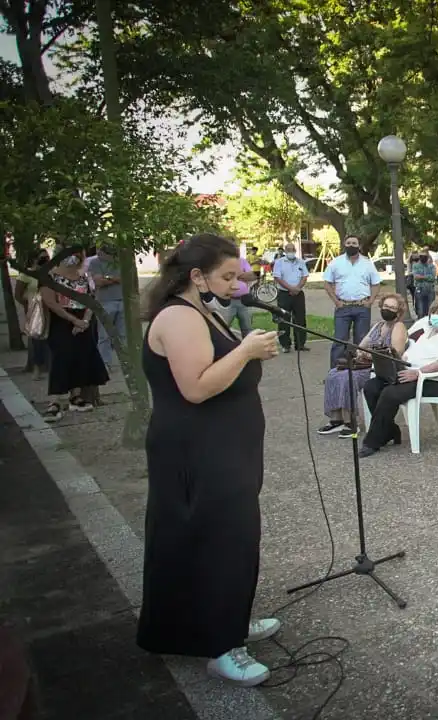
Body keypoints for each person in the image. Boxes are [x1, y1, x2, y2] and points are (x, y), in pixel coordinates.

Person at [137, 233, 282, 685]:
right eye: (227, 276)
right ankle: (221, 644)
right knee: (220, 540)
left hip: (224, 447)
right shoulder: (179, 317)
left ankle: (229, 619)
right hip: (198, 450)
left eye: (238, 276)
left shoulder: (203, 310)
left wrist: (248, 353)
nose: (236, 284)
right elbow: (197, 388)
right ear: (197, 276)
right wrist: (246, 351)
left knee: (233, 537)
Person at [361, 297, 438, 458]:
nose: (435, 316)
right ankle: (390, 431)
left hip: (434, 380)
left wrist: (418, 373)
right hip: (408, 373)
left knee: (390, 393)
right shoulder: (426, 329)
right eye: (433, 312)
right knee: (371, 387)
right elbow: (407, 342)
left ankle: (372, 442)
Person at [316, 294, 409, 439]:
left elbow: (395, 353)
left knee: (347, 378)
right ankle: (336, 419)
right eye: (385, 306)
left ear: (399, 312)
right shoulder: (378, 326)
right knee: (333, 374)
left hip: (380, 369)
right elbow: (361, 346)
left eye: (392, 308)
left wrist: (370, 355)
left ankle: (350, 422)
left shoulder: (398, 327)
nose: (387, 310)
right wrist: (360, 353)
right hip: (364, 364)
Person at [40, 252, 111, 419]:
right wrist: (73, 320)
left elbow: (91, 299)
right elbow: (50, 302)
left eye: (77, 255)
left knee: (81, 357)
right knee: (61, 358)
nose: (74, 258)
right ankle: (55, 401)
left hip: (83, 321)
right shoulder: (49, 277)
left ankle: (75, 396)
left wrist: (84, 321)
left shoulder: (85, 276)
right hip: (60, 322)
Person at [324, 236, 382, 368]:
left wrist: (371, 301)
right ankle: (336, 371)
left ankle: (360, 369)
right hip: (342, 307)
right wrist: (336, 302)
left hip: (362, 307)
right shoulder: (336, 262)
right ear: (344, 244)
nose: (351, 245)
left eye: (354, 243)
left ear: (359, 246)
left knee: (361, 341)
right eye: (348, 243)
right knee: (339, 340)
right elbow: (327, 284)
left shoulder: (367, 263)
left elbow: (376, 284)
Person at [14, 252, 51, 381]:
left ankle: (50, 366)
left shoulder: (50, 273)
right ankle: (36, 369)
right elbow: (18, 295)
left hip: (50, 310)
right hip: (36, 311)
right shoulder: (27, 274)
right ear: (34, 259)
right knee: (37, 340)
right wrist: (29, 306)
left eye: (47, 258)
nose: (45, 261)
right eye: (42, 258)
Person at [85, 246, 124, 367]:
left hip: (122, 300)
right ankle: (105, 363)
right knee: (104, 335)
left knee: (123, 335)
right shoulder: (95, 262)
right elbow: (98, 282)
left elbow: (126, 278)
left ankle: (125, 362)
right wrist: (115, 279)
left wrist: (107, 277)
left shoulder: (121, 261)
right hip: (104, 301)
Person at [271, 242, 310, 353]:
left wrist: (297, 288)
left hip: (298, 294)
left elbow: (304, 276)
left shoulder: (301, 262)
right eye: (288, 249)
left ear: (295, 251)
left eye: (292, 249)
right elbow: (278, 278)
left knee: (300, 319)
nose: (291, 251)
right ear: (285, 251)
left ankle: (300, 344)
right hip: (284, 294)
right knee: (283, 320)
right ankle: (285, 345)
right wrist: (290, 288)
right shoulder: (279, 262)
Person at [225, 253, 258, 337]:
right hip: (227, 300)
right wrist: (241, 274)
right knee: (223, 328)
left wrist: (234, 276)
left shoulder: (242, 261)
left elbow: (251, 276)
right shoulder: (222, 261)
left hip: (244, 300)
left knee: (247, 328)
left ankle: (248, 345)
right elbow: (223, 276)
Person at [410, 251, 437, 318]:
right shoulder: (415, 266)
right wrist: (427, 277)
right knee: (420, 309)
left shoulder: (432, 266)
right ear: (419, 257)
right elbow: (416, 277)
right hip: (419, 289)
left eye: (425, 256)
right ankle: (420, 321)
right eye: (421, 256)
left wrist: (421, 277)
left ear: (427, 257)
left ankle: (430, 321)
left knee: (431, 309)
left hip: (430, 289)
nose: (423, 258)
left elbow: (433, 278)